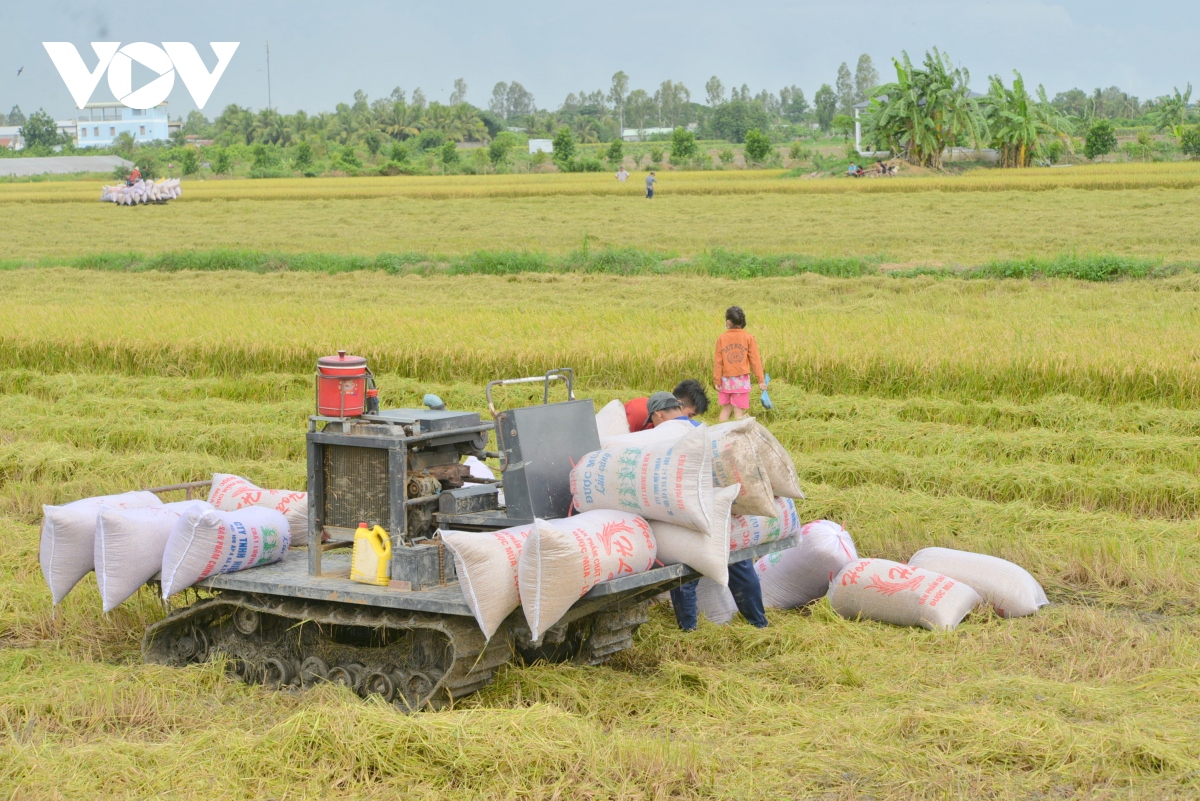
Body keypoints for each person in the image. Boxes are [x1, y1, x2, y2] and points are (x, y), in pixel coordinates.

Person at [670, 561, 768, 631]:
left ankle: (688, 630)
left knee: (684, 579)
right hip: (729, 537)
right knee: (740, 565)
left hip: (696, 542)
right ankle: (759, 623)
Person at [713, 305, 765, 422]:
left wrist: (717, 380)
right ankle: (737, 437)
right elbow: (755, 361)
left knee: (726, 409)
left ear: (728, 322)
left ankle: (721, 435)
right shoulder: (748, 338)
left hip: (725, 380)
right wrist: (761, 380)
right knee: (738, 410)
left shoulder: (722, 338)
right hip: (741, 381)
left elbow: (718, 361)